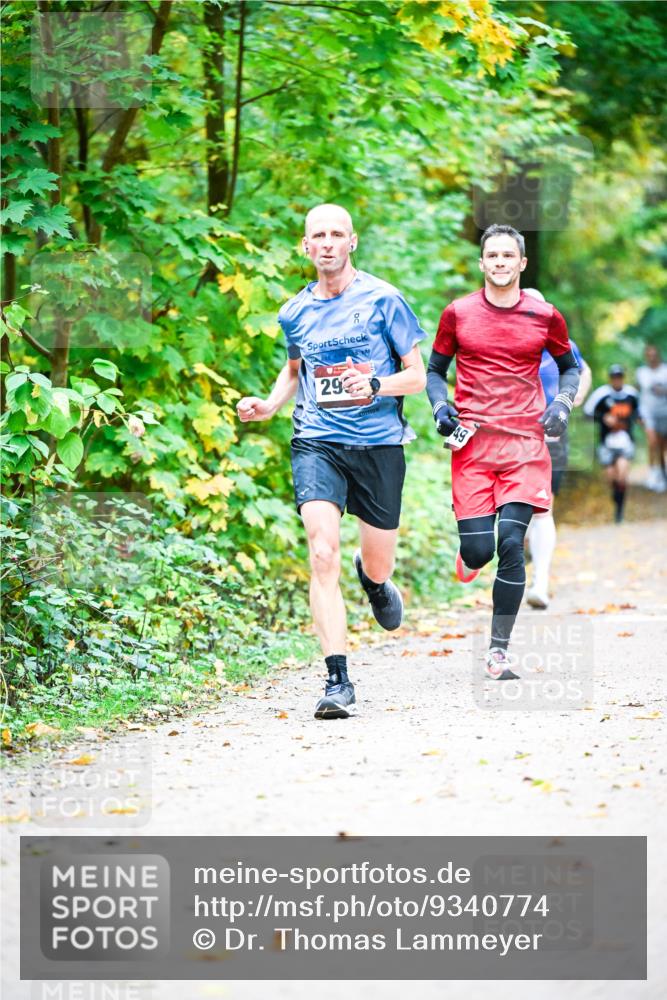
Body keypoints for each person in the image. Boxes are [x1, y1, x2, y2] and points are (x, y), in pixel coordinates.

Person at [236, 203, 426, 719]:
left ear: (352, 242)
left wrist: (375, 385)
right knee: (321, 553)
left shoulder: (384, 300)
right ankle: (337, 679)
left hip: (380, 444)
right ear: (305, 246)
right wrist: (270, 404)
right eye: (317, 235)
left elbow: (418, 375)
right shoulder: (295, 311)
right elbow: (294, 369)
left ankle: (375, 579)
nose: (326, 243)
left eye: (336, 234)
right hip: (317, 441)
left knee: (377, 557)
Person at [426, 224, 580, 680]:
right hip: (473, 447)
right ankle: (469, 556)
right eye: (491, 256)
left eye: (507, 256)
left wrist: (562, 404)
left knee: (512, 543)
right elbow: (435, 371)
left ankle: (497, 651)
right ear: (481, 263)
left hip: (525, 446)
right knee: (480, 551)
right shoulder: (457, 313)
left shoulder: (545, 315)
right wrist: (440, 406)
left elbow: (570, 368)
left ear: (522, 263)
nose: (499, 263)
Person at [521, 288, 592, 610]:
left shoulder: (559, 342)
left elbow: (582, 370)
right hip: (512, 435)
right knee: (517, 508)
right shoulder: (505, 342)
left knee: (544, 506)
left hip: (552, 435)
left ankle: (540, 582)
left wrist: (575, 396)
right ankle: (521, 555)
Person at [584, 364, 640, 523]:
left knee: (622, 475)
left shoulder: (631, 395)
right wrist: (603, 418)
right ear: (610, 378)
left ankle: (619, 513)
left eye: (620, 377)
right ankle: (616, 496)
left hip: (625, 441)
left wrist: (637, 420)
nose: (617, 380)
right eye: (614, 377)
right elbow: (587, 413)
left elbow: (639, 412)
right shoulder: (601, 394)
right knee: (611, 477)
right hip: (606, 442)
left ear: (623, 378)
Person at [636, 344, 667, 492]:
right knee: (652, 442)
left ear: (658, 355)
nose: (652, 358)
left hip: (664, 412)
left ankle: (661, 473)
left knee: (662, 446)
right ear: (646, 356)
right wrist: (637, 414)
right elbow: (637, 392)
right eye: (649, 355)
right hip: (647, 412)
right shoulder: (641, 372)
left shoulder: (665, 371)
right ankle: (652, 474)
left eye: (654, 355)